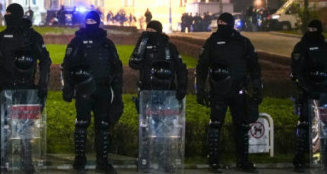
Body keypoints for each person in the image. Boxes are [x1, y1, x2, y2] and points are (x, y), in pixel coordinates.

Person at [0, 3, 51, 171]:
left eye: (9, 14)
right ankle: (3, 158)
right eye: (5, 14)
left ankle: (26, 159)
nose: (6, 17)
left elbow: (45, 61)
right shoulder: (2, 37)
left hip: (27, 88)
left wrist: (42, 84)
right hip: (6, 87)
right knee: (3, 124)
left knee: (26, 125)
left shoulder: (32, 36)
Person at [195, 12, 263, 173]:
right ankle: (216, 159)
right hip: (222, 90)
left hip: (236, 90)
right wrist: (200, 90)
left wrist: (257, 88)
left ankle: (239, 160)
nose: (222, 27)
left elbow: (254, 68)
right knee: (219, 125)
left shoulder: (240, 42)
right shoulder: (217, 42)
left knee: (239, 125)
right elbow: (202, 67)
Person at [61, 11, 123, 174]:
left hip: (103, 88)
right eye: (87, 20)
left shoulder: (107, 44)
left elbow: (117, 68)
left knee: (103, 125)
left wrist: (117, 94)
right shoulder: (77, 42)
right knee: (82, 123)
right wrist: (68, 87)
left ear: (98, 22)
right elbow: (67, 66)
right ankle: (80, 158)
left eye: (92, 21)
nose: (90, 23)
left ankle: (102, 160)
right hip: (83, 89)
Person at [129, 20, 188, 171]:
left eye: (152, 30)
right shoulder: (143, 45)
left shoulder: (169, 47)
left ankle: (164, 160)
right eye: (147, 29)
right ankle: (146, 159)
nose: (149, 32)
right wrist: (142, 43)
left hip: (167, 94)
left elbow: (181, 69)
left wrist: (182, 87)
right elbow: (134, 63)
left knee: (165, 130)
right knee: (147, 129)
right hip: (148, 93)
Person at [291, 20, 327, 172]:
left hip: (324, 91)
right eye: (310, 28)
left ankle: (322, 156)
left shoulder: (325, 47)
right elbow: (297, 70)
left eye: (314, 29)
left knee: (324, 125)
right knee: (304, 123)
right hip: (307, 91)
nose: (311, 31)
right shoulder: (302, 46)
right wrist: (306, 87)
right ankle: (300, 157)